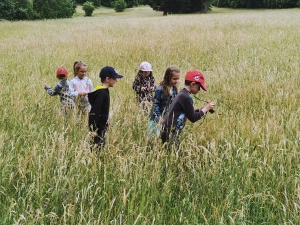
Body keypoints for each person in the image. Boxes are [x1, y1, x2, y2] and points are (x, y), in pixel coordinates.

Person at [160, 69, 215, 148]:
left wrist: (201, 109)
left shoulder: (183, 94)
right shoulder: (186, 97)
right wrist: (205, 109)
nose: (199, 90)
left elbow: (189, 113)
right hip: (170, 132)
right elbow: (193, 118)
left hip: (168, 131)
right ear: (193, 84)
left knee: (175, 156)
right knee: (177, 158)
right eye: (199, 87)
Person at [88, 66, 123, 150]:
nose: (116, 80)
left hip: (101, 127)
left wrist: (106, 124)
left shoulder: (102, 91)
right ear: (107, 79)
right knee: (97, 149)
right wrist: (92, 129)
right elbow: (95, 111)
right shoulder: (102, 93)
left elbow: (102, 111)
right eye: (114, 78)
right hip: (97, 129)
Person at [148, 65, 181, 137]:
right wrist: (159, 117)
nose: (176, 81)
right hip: (157, 119)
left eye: (178, 79)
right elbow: (155, 105)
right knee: (155, 137)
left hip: (167, 118)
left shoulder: (174, 88)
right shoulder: (160, 90)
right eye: (174, 79)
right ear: (168, 77)